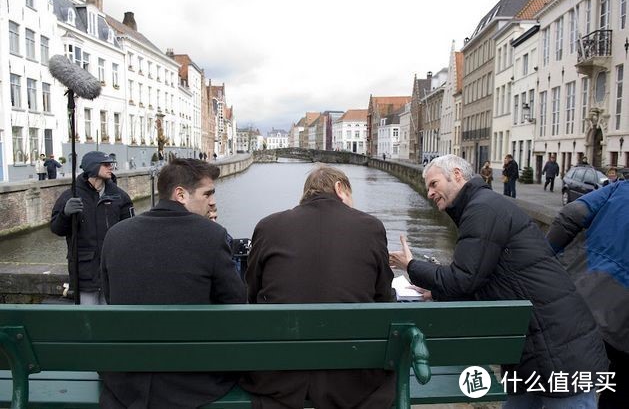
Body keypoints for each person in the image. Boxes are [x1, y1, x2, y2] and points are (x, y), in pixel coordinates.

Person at [389, 155, 607, 409]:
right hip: (533, 348)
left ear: (457, 175)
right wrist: (434, 292)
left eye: (434, 184)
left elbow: (463, 279)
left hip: (558, 348)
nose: (429, 192)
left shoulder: (482, 209)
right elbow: (483, 280)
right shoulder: (483, 207)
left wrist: (411, 266)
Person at [240, 164, 395, 409]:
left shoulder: (268, 226)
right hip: (350, 378)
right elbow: (384, 298)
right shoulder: (371, 226)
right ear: (340, 188)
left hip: (279, 375)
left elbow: (252, 292)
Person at [99, 158, 246, 409]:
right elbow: (235, 305)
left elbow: (112, 296)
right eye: (207, 193)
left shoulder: (116, 234)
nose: (213, 201)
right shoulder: (212, 236)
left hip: (127, 381)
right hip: (192, 382)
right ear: (180, 194)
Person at [547, 180, 629, 408]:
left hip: (581, 297)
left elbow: (571, 214)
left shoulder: (619, 188)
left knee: (567, 381)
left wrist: (545, 259)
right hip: (623, 329)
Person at [50, 151, 133, 304]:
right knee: (89, 318)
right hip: (85, 273)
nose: (111, 167)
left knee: (112, 318)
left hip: (113, 269)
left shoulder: (120, 196)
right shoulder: (70, 196)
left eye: (111, 164)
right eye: (106, 164)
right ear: (92, 167)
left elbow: (131, 232)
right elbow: (57, 229)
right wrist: (65, 214)